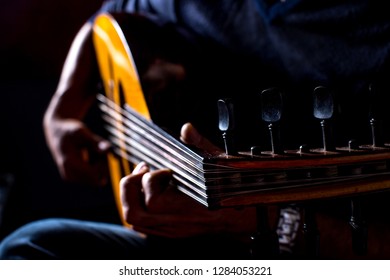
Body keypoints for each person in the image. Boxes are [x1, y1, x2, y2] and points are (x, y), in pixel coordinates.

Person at [1, 0, 390, 259]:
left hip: (321, 250)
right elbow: (109, 15)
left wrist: (256, 218)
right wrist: (62, 107)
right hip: (197, 237)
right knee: (29, 250)